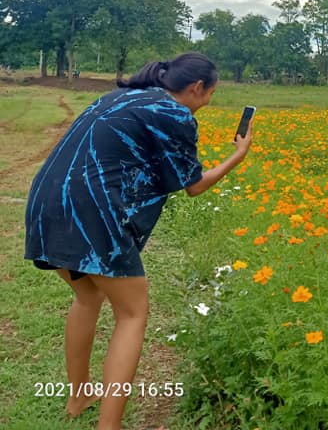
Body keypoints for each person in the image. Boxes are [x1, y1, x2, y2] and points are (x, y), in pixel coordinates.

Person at [24, 52, 253, 430]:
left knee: (87, 296)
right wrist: (237, 156)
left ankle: (78, 397)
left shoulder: (121, 96)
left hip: (46, 201)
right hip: (92, 212)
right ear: (197, 87)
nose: (208, 102)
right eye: (211, 94)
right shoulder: (174, 113)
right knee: (132, 313)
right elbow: (194, 186)